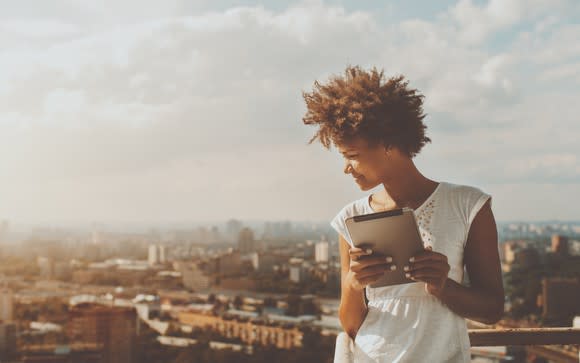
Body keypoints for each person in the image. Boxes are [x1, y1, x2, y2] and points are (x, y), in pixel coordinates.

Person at [302, 66, 504, 362]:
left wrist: (443, 286)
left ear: (388, 144)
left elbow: (492, 311)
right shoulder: (351, 217)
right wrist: (352, 285)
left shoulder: (468, 205)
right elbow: (351, 326)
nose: (346, 168)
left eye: (353, 156)